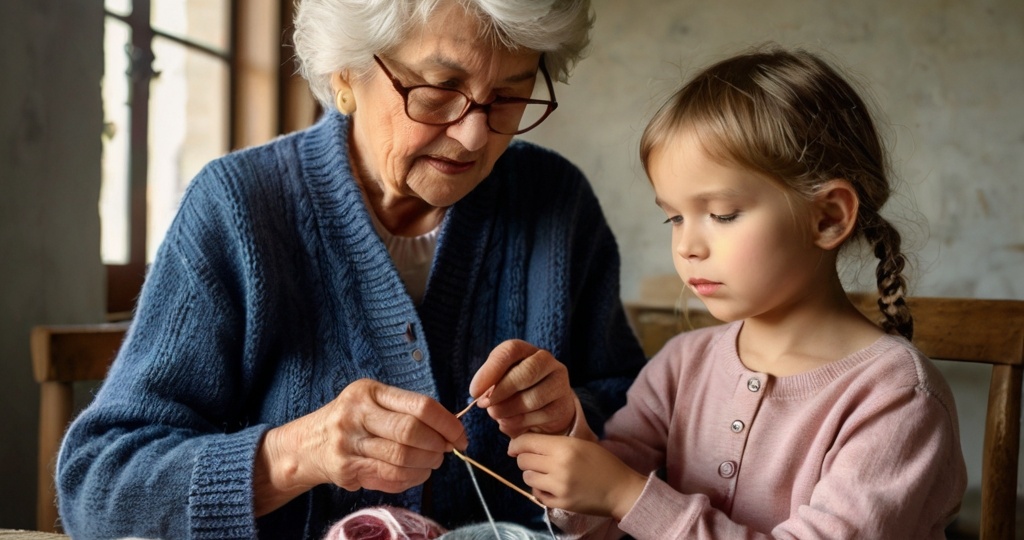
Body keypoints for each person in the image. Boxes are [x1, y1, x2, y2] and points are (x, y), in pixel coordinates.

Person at [55, 1, 646, 538]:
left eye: (510, 97)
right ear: (346, 73)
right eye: (440, 89)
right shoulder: (238, 207)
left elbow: (644, 426)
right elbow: (100, 485)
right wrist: (297, 454)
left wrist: (572, 421)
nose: (472, 136)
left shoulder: (557, 204)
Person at [509, 46, 967, 538]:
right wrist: (564, 445)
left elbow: (623, 496)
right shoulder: (682, 365)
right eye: (675, 217)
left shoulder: (896, 397)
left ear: (828, 216)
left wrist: (624, 493)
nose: (687, 246)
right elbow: (597, 521)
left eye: (722, 214)